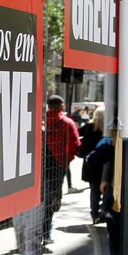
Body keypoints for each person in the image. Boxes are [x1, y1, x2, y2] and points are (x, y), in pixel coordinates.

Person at [42, 95, 81, 241]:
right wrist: (67, 159)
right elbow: (75, 145)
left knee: (41, 198)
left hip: (41, 165)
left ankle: (35, 233)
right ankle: (46, 233)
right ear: (61, 106)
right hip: (58, 165)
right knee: (52, 198)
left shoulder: (41, 122)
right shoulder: (67, 122)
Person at [80, 106, 106, 222]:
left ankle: (94, 214)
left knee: (94, 190)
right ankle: (104, 212)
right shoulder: (108, 130)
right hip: (104, 164)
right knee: (106, 189)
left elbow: (77, 135)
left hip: (90, 164)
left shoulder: (88, 128)